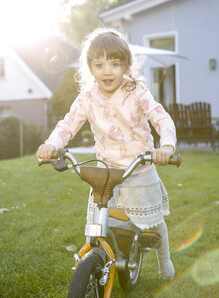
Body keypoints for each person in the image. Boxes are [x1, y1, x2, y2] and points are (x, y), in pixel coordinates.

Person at [36, 27, 176, 280]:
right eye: (99, 64)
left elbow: (161, 117)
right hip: (106, 171)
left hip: (139, 167)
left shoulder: (136, 92)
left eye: (114, 63)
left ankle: (164, 261)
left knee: (153, 222)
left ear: (125, 66)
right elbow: (67, 125)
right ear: (90, 68)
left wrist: (166, 146)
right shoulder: (87, 98)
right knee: (99, 222)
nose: (107, 71)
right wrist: (52, 145)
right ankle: (99, 261)